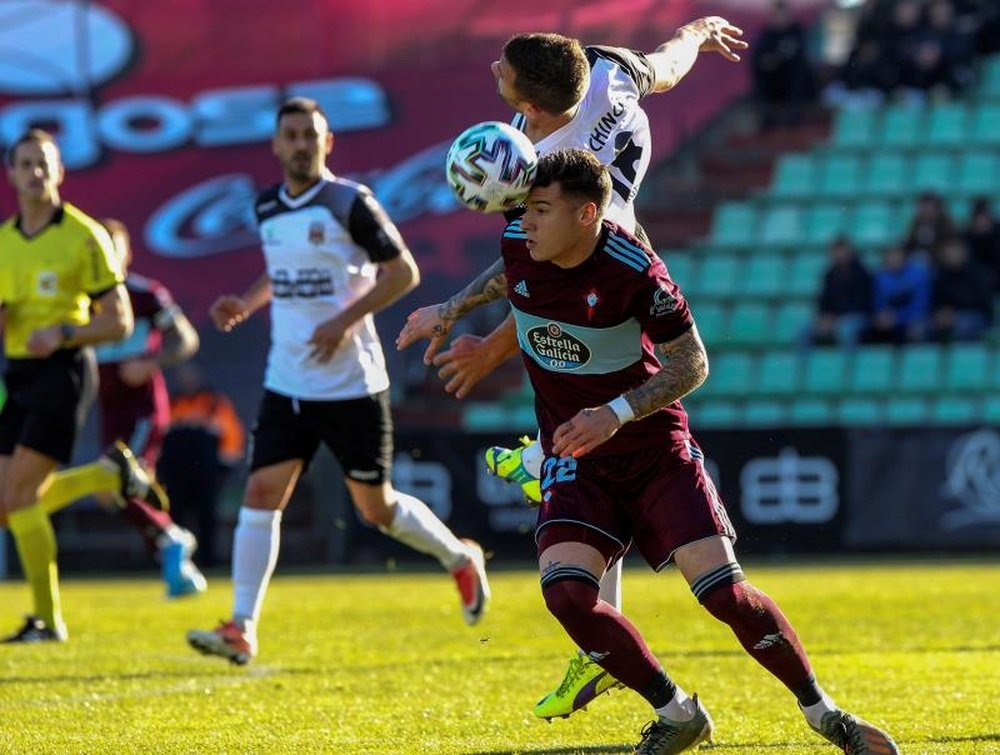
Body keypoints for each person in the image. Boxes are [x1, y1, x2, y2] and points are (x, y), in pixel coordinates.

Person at [448, 148, 899, 754]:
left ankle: (826, 714)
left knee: (724, 595)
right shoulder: (520, 239)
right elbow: (506, 273)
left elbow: (693, 363)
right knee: (567, 596)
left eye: (540, 210)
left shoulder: (635, 270)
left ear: (586, 216)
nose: (523, 222)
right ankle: (677, 712)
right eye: (523, 209)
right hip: (576, 459)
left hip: (654, 450)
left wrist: (614, 414)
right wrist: (452, 309)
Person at [397, 17, 747, 719]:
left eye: (504, 71)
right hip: (607, 266)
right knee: (592, 438)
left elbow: (539, 268)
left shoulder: (547, 166)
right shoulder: (609, 72)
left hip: (611, 280)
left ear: (530, 100)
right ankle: (595, 645)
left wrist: (463, 319)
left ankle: (551, 483)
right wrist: (698, 31)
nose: (495, 69)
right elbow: (665, 65)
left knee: (594, 432)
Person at [185, 98, 489, 665]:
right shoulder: (268, 206)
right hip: (288, 381)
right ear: (276, 145)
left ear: (327, 144)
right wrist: (248, 303)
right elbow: (282, 273)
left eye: (310, 135)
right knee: (260, 495)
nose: (300, 144)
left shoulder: (351, 203)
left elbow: (404, 272)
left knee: (376, 510)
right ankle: (242, 626)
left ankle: (458, 557)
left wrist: (342, 320)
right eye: (291, 135)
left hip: (352, 382)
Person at [0, 129, 166, 642]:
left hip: (64, 373)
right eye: (24, 164)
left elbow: (118, 322)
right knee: (11, 505)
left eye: (43, 164)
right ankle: (105, 475)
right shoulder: (4, 239)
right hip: (18, 374)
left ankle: (48, 622)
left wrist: (67, 331)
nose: (34, 173)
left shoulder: (85, 235)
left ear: (59, 171)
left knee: (20, 496)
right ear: (10, 173)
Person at [94, 218, 207, 597]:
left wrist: (150, 364)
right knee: (109, 491)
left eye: (114, 246)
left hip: (142, 408)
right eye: (100, 245)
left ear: (127, 252)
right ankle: (179, 566)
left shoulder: (144, 294)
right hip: (109, 411)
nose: (107, 253)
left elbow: (186, 339)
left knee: (121, 481)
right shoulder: (82, 298)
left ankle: (172, 541)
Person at [157, 360, 245, 567]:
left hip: (206, 475)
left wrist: (223, 468)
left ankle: (209, 562)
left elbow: (232, 438)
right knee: (175, 519)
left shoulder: (214, 403)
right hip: (176, 475)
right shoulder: (171, 403)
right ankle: (177, 564)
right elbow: (159, 436)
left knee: (207, 519)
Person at [808, 236, 873, 347]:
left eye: (842, 251)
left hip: (859, 316)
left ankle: (848, 363)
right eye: (836, 251)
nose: (840, 255)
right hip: (835, 318)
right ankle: (805, 363)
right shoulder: (830, 275)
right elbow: (824, 300)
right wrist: (824, 317)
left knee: (845, 330)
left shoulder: (862, 274)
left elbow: (863, 303)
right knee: (804, 331)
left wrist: (836, 318)